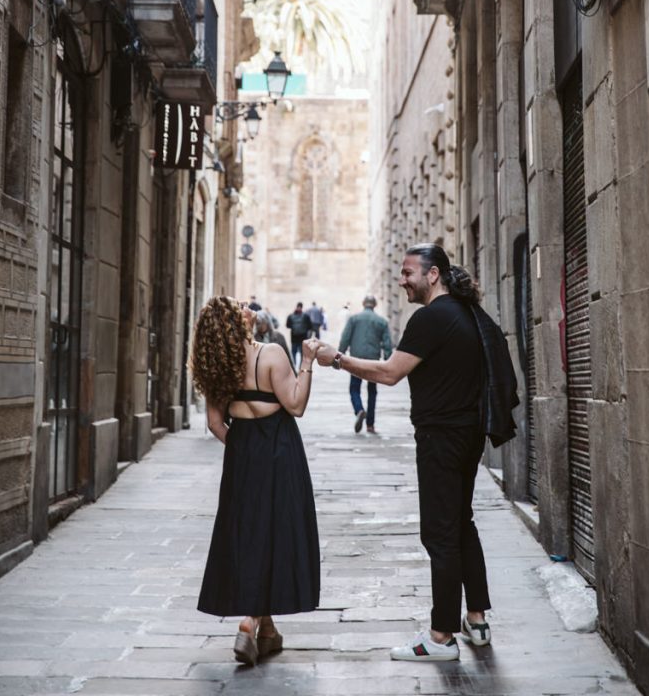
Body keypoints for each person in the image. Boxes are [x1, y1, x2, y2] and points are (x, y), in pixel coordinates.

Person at [311, 243, 518, 663]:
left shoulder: (431, 318)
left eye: (408, 273)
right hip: (468, 435)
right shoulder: (469, 315)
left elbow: (389, 373)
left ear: (433, 274)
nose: (401, 280)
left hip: (441, 438)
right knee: (462, 524)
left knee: (440, 533)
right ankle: (476, 619)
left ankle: (441, 637)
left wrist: (337, 360)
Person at [190, 296, 320, 667]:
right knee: (276, 533)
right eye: (240, 306)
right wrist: (307, 362)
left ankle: (266, 630)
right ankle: (249, 622)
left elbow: (217, 424)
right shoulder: (271, 354)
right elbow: (295, 405)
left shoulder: (218, 365)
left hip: (242, 452)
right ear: (236, 321)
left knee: (249, 534)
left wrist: (246, 449)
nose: (248, 307)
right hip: (279, 450)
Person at [339, 295, 392, 434]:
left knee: (354, 388)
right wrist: (388, 359)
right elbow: (387, 343)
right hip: (373, 361)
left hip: (356, 360)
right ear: (374, 305)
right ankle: (370, 424)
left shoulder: (354, 319)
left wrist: (339, 355)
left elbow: (345, 337)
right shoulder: (382, 321)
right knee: (372, 391)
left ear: (363, 304)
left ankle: (359, 410)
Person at [285, 302, 312, 371]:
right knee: (302, 354)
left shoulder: (290, 316)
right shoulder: (306, 316)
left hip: (294, 338)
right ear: (302, 307)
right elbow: (310, 326)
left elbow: (287, 326)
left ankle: (294, 367)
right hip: (303, 338)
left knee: (293, 353)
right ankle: (300, 368)